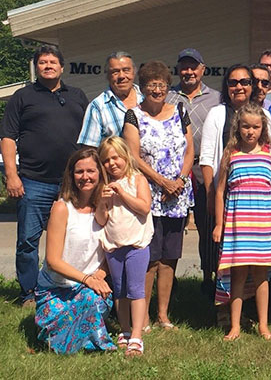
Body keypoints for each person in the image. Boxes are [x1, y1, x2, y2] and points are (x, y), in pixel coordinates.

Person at [1, 44, 88, 306]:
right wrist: (12, 176)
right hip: (33, 181)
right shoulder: (23, 96)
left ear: (62, 67)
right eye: (42, 62)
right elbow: (7, 137)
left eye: (52, 62)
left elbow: (91, 135)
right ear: (36, 67)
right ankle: (29, 292)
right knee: (28, 240)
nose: (48, 66)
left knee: (72, 237)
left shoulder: (77, 95)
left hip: (73, 184)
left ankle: (66, 285)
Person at [123, 61, 194, 331]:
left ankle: (163, 315)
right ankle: (144, 317)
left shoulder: (179, 110)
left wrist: (179, 181)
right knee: (149, 259)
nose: (157, 89)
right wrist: (162, 181)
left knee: (169, 258)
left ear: (168, 87)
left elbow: (189, 151)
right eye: (151, 85)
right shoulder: (133, 115)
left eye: (162, 84)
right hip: (148, 195)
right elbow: (132, 155)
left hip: (177, 195)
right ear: (142, 88)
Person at [212, 103, 271, 341]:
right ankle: (235, 325)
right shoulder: (230, 154)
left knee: (261, 275)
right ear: (237, 127)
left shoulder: (270, 152)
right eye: (245, 126)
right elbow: (220, 191)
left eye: (255, 127)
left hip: (263, 223)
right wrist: (219, 225)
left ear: (262, 128)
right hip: (237, 224)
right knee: (238, 275)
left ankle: (263, 324)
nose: (250, 131)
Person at [34, 148, 114, 354]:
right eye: (79, 172)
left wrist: (100, 274)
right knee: (67, 316)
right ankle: (70, 337)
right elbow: (53, 260)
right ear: (71, 175)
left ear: (100, 174)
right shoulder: (62, 208)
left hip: (89, 286)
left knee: (93, 301)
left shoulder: (108, 206)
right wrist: (87, 279)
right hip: (56, 288)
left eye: (91, 171)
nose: (85, 177)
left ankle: (79, 339)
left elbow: (112, 249)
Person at [165, 48, 221, 298]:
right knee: (172, 228)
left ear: (202, 69)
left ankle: (209, 278)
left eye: (193, 67)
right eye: (184, 67)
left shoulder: (217, 98)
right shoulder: (167, 98)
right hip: (174, 172)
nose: (188, 72)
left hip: (203, 170)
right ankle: (168, 280)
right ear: (178, 70)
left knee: (207, 225)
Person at [95, 137, 153, 356]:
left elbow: (144, 207)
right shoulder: (103, 187)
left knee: (135, 290)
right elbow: (101, 220)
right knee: (119, 290)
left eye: (116, 157)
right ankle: (125, 330)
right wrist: (102, 202)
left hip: (136, 244)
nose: (112, 163)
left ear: (126, 157)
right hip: (113, 246)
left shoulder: (137, 180)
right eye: (107, 160)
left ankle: (137, 334)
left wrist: (122, 193)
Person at [78, 51, 143, 147]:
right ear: (108, 76)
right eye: (115, 72)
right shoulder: (97, 106)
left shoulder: (147, 97)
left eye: (126, 70)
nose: (121, 76)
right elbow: (89, 150)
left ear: (134, 73)